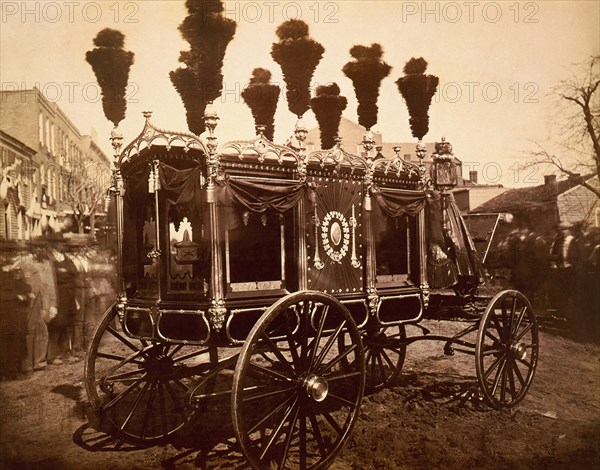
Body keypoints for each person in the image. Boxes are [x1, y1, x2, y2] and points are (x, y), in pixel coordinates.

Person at [548, 222, 580, 325]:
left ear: (569, 230)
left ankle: (574, 318)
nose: (563, 232)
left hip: (571, 270)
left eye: (564, 229)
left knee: (573, 294)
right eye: (561, 230)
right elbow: (553, 254)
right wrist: (556, 261)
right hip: (561, 270)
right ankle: (563, 316)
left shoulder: (574, 241)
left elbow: (578, 257)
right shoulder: (558, 241)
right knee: (562, 294)